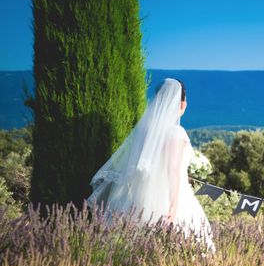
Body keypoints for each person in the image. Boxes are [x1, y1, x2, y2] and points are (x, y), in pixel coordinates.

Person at [87, 78, 215, 252]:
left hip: (140, 196)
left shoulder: (144, 132)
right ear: (182, 104)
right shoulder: (176, 132)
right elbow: (173, 170)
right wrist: (174, 205)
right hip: (169, 196)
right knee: (186, 246)